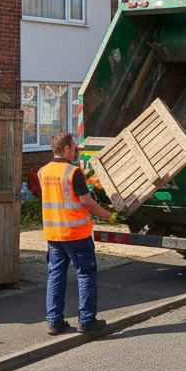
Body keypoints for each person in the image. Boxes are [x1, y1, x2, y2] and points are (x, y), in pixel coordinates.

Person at [39, 132, 120, 335]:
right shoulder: (73, 172)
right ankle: (86, 321)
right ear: (66, 148)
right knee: (85, 274)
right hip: (76, 233)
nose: (75, 149)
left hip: (53, 234)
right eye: (74, 146)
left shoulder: (43, 172)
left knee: (55, 275)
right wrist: (108, 215)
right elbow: (86, 201)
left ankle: (54, 322)